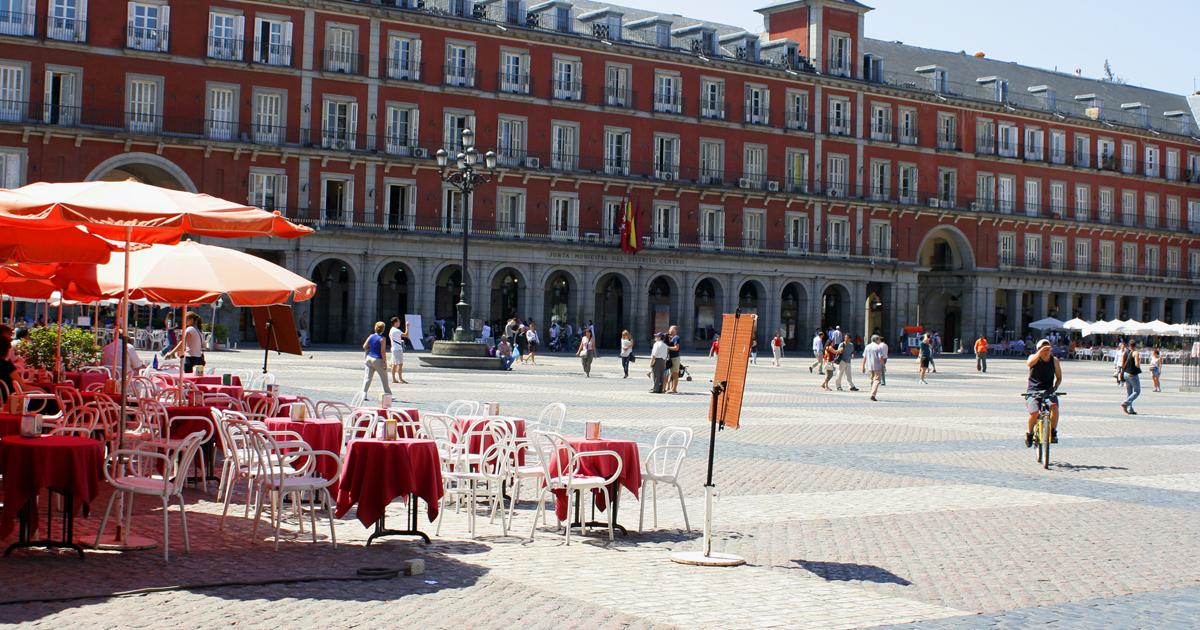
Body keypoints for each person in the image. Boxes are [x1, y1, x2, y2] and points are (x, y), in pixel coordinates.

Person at [1024, 339, 1062, 446]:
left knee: (1054, 407)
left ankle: (1053, 432)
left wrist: (1055, 388)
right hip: (1033, 390)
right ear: (1038, 349)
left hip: (1048, 390)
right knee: (1034, 413)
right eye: (1043, 348)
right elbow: (1029, 364)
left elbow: (1059, 377)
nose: (1046, 350)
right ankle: (1030, 433)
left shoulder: (1054, 360)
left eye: (1048, 348)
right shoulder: (1033, 357)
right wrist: (1039, 354)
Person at [360, 321, 392, 400]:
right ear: (383, 329)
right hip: (378, 359)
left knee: (367, 378)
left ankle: (363, 395)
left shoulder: (371, 336)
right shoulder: (382, 339)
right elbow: (383, 352)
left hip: (369, 358)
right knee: (384, 379)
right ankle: (388, 395)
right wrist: (385, 362)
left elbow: (364, 346)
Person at [861, 334, 887, 401]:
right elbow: (880, 357)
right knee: (877, 380)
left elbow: (864, 357)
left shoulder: (867, 347)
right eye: (879, 339)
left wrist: (863, 366)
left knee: (872, 380)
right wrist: (883, 365)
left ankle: (871, 392)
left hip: (869, 366)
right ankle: (872, 394)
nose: (879, 340)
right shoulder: (878, 347)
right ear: (876, 340)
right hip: (877, 366)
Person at [1120, 340, 1142, 414]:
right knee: (1137, 391)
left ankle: (1130, 409)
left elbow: (1122, 364)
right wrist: (1139, 361)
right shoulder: (1135, 352)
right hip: (1132, 374)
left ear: (1129, 345)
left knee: (1129, 392)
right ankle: (1126, 403)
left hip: (1125, 373)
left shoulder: (1125, 352)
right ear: (1135, 345)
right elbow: (1137, 365)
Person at [388, 316, 409, 384]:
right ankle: (400, 379)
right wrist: (407, 326)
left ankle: (394, 379)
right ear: (395, 322)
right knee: (399, 364)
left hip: (394, 348)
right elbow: (406, 335)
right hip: (397, 349)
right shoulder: (396, 330)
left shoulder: (391, 330)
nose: (399, 322)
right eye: (398, 321)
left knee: (394, 364)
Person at [0, 337, 21, 404]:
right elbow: (22, 387)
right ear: (7, 349)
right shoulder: (6, 365)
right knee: (48, 397)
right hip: (13, 400)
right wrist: (41, 390)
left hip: (3, 399)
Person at [666, 325, 682, 394]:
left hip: (675, 357)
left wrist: (667, 347)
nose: (670, 331)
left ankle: (674, 389)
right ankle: (669, 387)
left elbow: (676, 348)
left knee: (675, 374)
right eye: (670, 329)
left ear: (675, 330)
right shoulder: (670, 338)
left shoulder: (676, 337)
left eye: (672, 329)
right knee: (671, 373)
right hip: (671, 357)